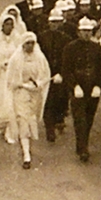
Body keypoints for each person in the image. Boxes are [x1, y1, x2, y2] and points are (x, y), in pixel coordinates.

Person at [62, 17, 101, 162]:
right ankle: (83, 148)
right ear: (78, 32)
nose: (86, 34)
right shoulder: (70, 48)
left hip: (92, 88)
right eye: (83, 31)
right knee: (79, 118)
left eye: (89, 31)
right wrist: (74, 86)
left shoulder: (97, 48)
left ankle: (81, 143)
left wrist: (98, 85)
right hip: (77, 88)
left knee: (89, 118)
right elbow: (66, 70)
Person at [6, 32, 51, 169]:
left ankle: (28, 145)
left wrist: (38, 83)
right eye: (27, 43)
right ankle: (26, 154)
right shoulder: (16, 59)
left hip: (35, 94)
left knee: (32, 119)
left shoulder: (40, 58)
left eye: (32, 43)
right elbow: (11, 79)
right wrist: (22, 84)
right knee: (23, 120)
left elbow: (45, 74)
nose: (30, 46)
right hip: (21, 93)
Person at [0, 9, 25, 143]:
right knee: (1, 101)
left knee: (13, 102)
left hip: (13, 75)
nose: (9, 27)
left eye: (11, 24)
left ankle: (11, 129)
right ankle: (2, 124)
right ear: (2, 25)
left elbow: (22, 55)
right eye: (6, 24)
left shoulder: (18, 39)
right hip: (0, 76)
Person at [38, 8, 72, 142]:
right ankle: (49, 128)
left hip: (60, 73)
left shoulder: (66, 38)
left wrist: (63, 73)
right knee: (47, 100)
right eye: (52, 22)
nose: (54, 25)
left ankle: (60, 119)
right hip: (46, 73)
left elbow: (68, 58)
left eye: (57, 22)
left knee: (61, 98)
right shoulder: (41, 37)